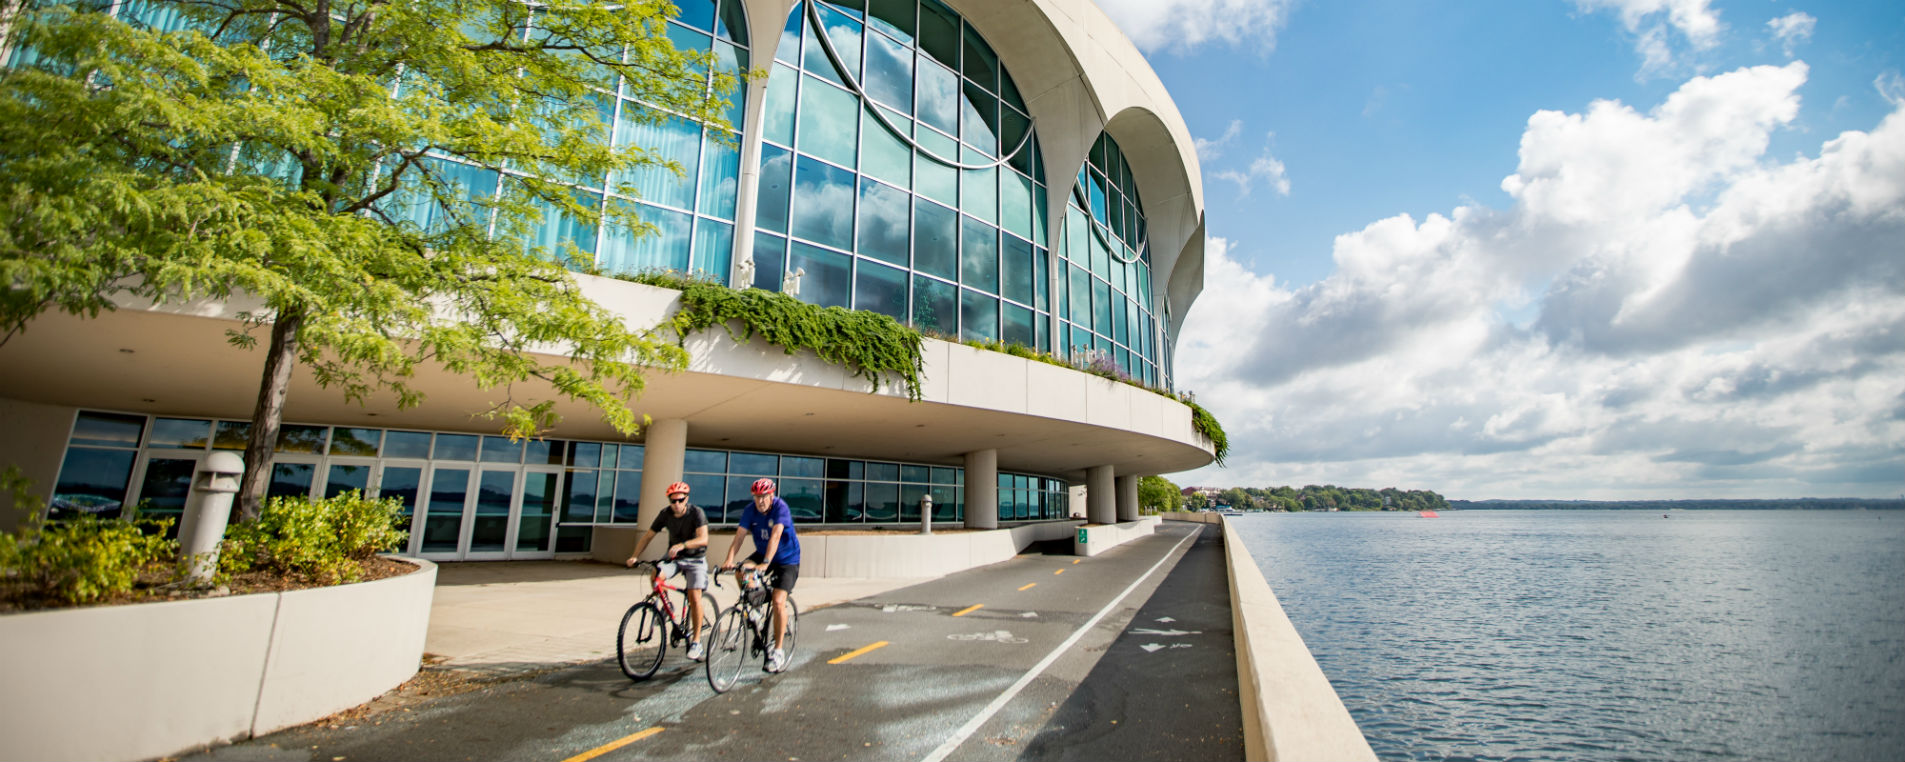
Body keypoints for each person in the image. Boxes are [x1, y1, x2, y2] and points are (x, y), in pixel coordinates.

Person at [720, 477, 801, 673]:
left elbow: (775, 536)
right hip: (763, 554)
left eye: (764, 497)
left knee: (778, 601)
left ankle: (778, 651)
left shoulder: (781, 508)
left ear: (771, 495)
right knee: (741, 571)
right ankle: (755, 609)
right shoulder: (750, 510)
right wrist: (729, 560)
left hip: (786, 559)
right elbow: (739, 536)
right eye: (757, 497)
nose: (760, 501)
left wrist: (765, 563)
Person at [627, 481, 710, 661]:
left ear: (686, 499)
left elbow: (703, 539)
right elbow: (648, 536)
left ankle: (696, 642)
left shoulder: (696, 513)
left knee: (694, 597)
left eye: (680, 500)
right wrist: (634, 556)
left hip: (695, 558)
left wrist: (683, 545)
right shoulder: (665, 514)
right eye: (673, 501)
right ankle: (668, 606)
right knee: (656, 575)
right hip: (675, 558)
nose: (677, 504)